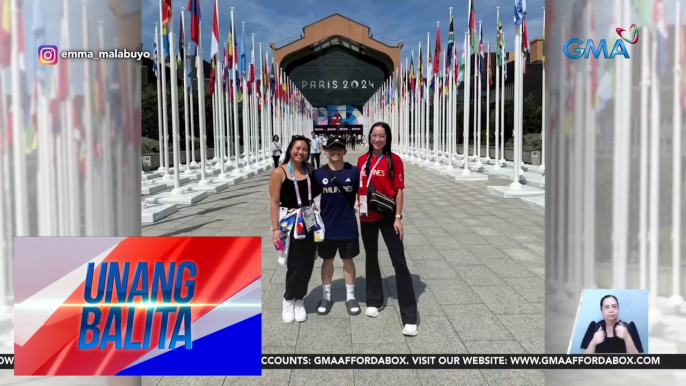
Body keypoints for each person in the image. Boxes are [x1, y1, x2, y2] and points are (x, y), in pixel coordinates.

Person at [357, 122, 418, 336]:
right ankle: (374, 300)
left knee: (399, 262)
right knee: (371, 258)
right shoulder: (362, 160)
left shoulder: (395, 160)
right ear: (369, 137)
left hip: (388, 216)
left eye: (382, 136)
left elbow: (399, 191)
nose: (377, 139)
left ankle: (410, 316)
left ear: (388, 138)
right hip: (366, 217)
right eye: (374, 135)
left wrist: (399, 217)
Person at [269, 136, 322, 324]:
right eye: (297, 148)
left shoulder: (309, 169)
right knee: (294, 263)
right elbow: (274, 203)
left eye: (305, 149)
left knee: (307, 262)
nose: (301, 152)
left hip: (308, 220)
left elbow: (314, 192)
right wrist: (275, 229)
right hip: (290, 222)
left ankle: (300, 299)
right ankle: (288, 299)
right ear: (290, 149)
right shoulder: (279, 172)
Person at [312, 137, 361, 316]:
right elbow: (307, 195)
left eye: (339, 148)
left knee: (348, 260)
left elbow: (363, 194)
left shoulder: (354, 172)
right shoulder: (319, 174)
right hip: (327, 227)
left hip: (348, 225)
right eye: (332, 148)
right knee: (327, 260)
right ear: (325, 150)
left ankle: (350, 296)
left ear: (344, 151)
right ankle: (326, 296)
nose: (335, 151)